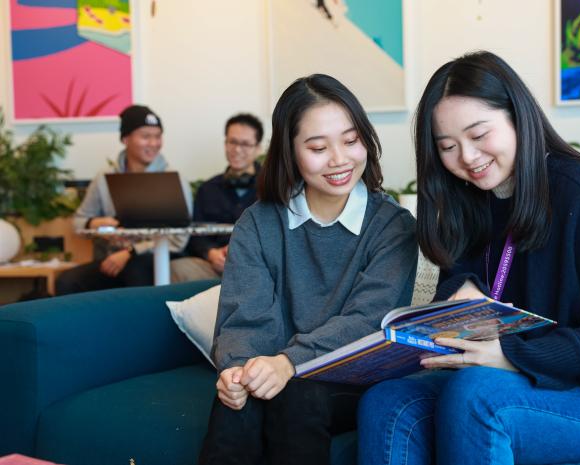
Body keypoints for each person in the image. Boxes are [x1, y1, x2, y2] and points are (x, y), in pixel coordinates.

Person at [357, 50, 580, 465]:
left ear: (517, 117)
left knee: (477, 395)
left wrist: (512, 358)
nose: (467, 158)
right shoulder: (468, 200)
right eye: (448, 146)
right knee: (388, 401)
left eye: (479, 135)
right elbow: (464, 278)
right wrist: (460, 293)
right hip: (509, 379)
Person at [199, 74, 418, 465]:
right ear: (291, 151)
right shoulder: (259, 222)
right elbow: (244, 316)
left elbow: (369, 319)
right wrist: (236, 371)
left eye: (351, 141)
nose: (339, 159)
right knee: (240, 399)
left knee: (296, 394)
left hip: (354, 376)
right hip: (276, 369)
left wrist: (288, 363)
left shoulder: (392, 225)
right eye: (318, 147)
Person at [55, 105, 192, 295]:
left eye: (158, 136)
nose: (153, 143)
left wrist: (130, 252)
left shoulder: (173, 179)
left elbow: (180, 237)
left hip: (155, 258)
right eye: (145, 136)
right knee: (67, 282)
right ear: (125, 139)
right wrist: (98, 223)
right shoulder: (104, 178)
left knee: (136, 269)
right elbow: (78, 222)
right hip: (114, 258)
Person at [170, 113, 263, 282]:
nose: (237, 149)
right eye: (232, 142)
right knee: (175, 268)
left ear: (258, 148)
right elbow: (194, 235)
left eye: (245, 144)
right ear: (225, 143)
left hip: (258, 265)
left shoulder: (272, 187)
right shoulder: (207, 189)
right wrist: (211, 253)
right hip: (214, 267)